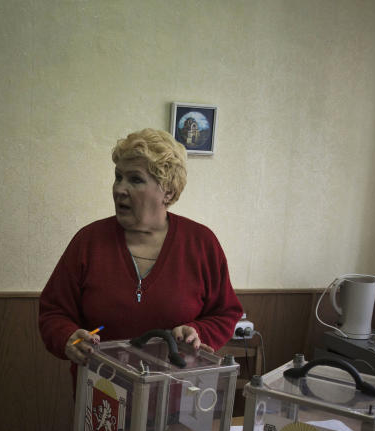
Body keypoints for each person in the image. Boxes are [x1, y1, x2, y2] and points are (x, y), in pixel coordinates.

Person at [38, 128, 242, 377]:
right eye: (118, 177)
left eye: (135, 179)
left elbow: (225, 313)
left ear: (167, 191)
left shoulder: (201, 243)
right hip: (103, 397)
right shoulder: (88, 242)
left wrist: (196, 332)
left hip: (177, 396)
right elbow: (53, 313)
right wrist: (67, 338)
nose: (120, 189)